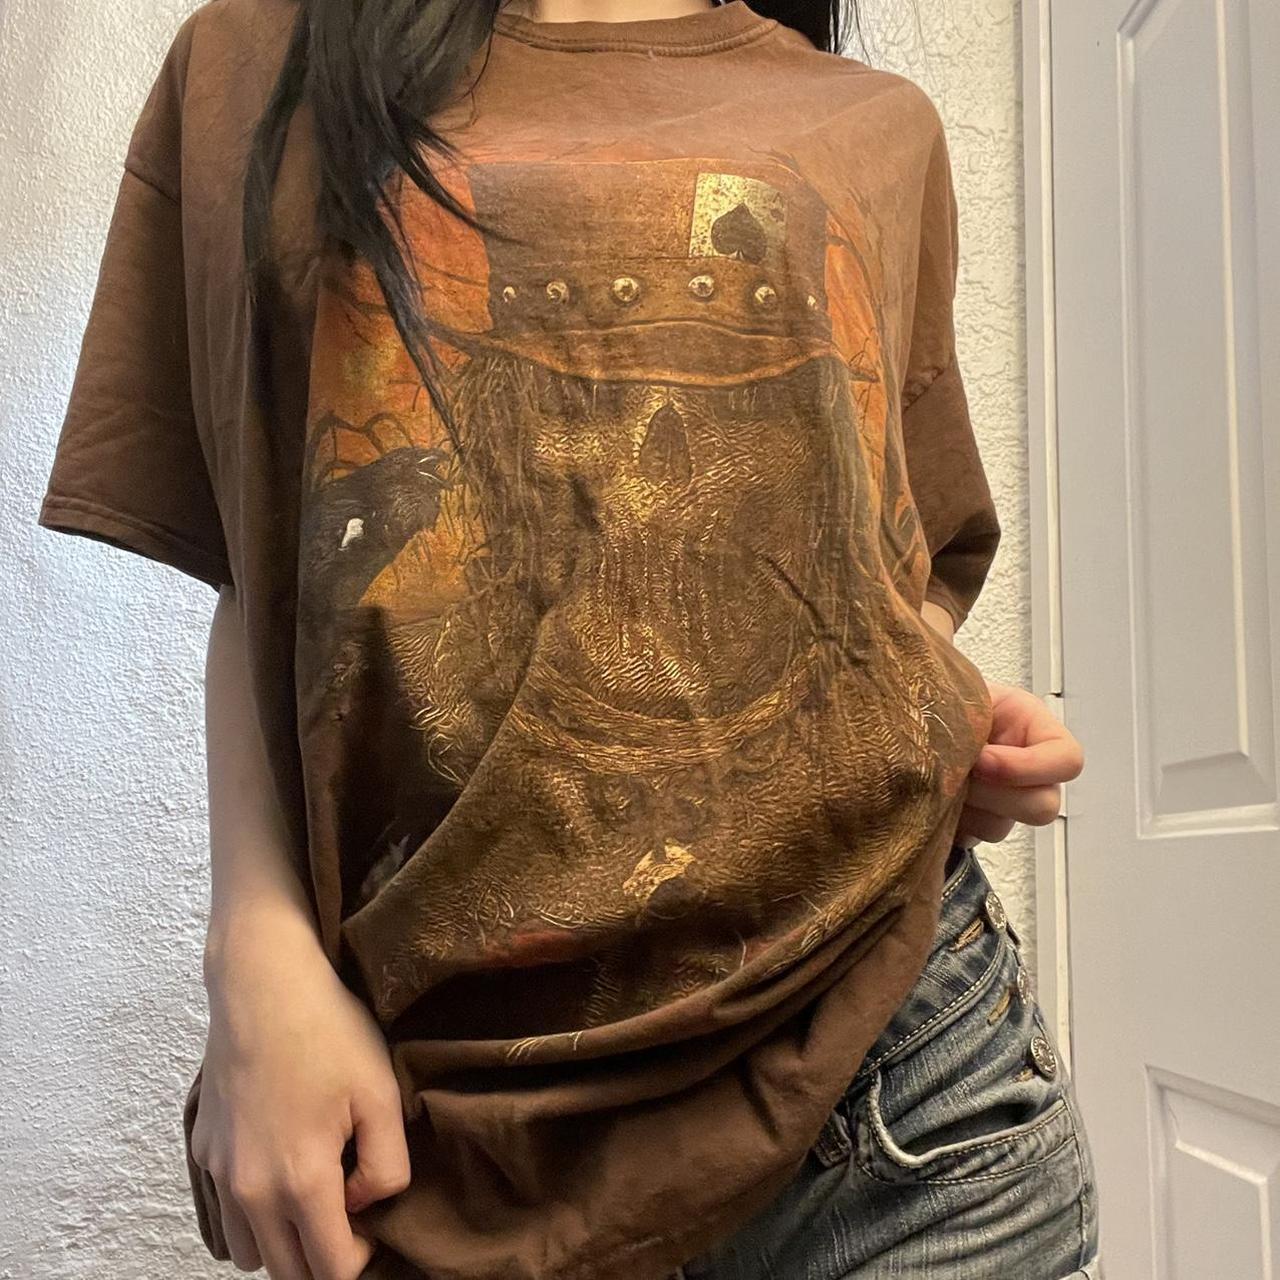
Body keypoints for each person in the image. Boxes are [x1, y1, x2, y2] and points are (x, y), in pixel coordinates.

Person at [35, 0, 1099, 1275]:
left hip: (899, 1104)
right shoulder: (259, 66)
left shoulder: (873, 124)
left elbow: (875, 569)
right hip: (442, 1124)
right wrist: (253, 954)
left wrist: (935, 718)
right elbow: (263, 561)